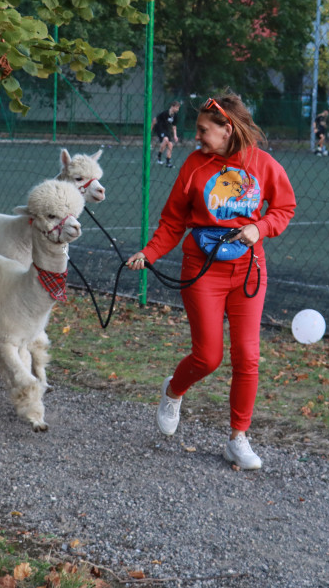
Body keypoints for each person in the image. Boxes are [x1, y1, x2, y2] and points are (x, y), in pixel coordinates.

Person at [125, 92, 296, 470]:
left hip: (249, 271)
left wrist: (260, 227)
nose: (197, 137)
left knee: (248, 357)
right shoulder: (194, 167)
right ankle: (174, 390)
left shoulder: (263, 165)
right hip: (202, 270)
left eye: (204, 130)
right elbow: (173, 222)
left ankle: (238, 438)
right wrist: (148, 254)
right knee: (208, 356)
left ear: (227, 129)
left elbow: (284, 207)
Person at [152, 101, 180, 168]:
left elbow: (174, 126)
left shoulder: (175, 116)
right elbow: (154, 120)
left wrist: (175, 136)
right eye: (176, 108)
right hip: (160, 129)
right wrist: (150, 129)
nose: (177, 109)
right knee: (166, 139)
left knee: (170, 145)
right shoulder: (164, 113)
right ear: (172, 106)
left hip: (167, 130)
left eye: (178, 108)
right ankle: (159, 156)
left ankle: (167, 162)